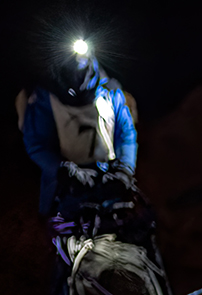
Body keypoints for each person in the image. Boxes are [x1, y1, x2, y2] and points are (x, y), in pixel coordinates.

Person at [22, 38, 137, 217]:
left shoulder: (110, 90)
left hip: (109, 180)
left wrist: (124, 170)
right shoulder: (45, 97)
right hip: (64, 187)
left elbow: (126, 134)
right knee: (64, 235)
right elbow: (37, 143)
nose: (77, 61)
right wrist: (63, 170)